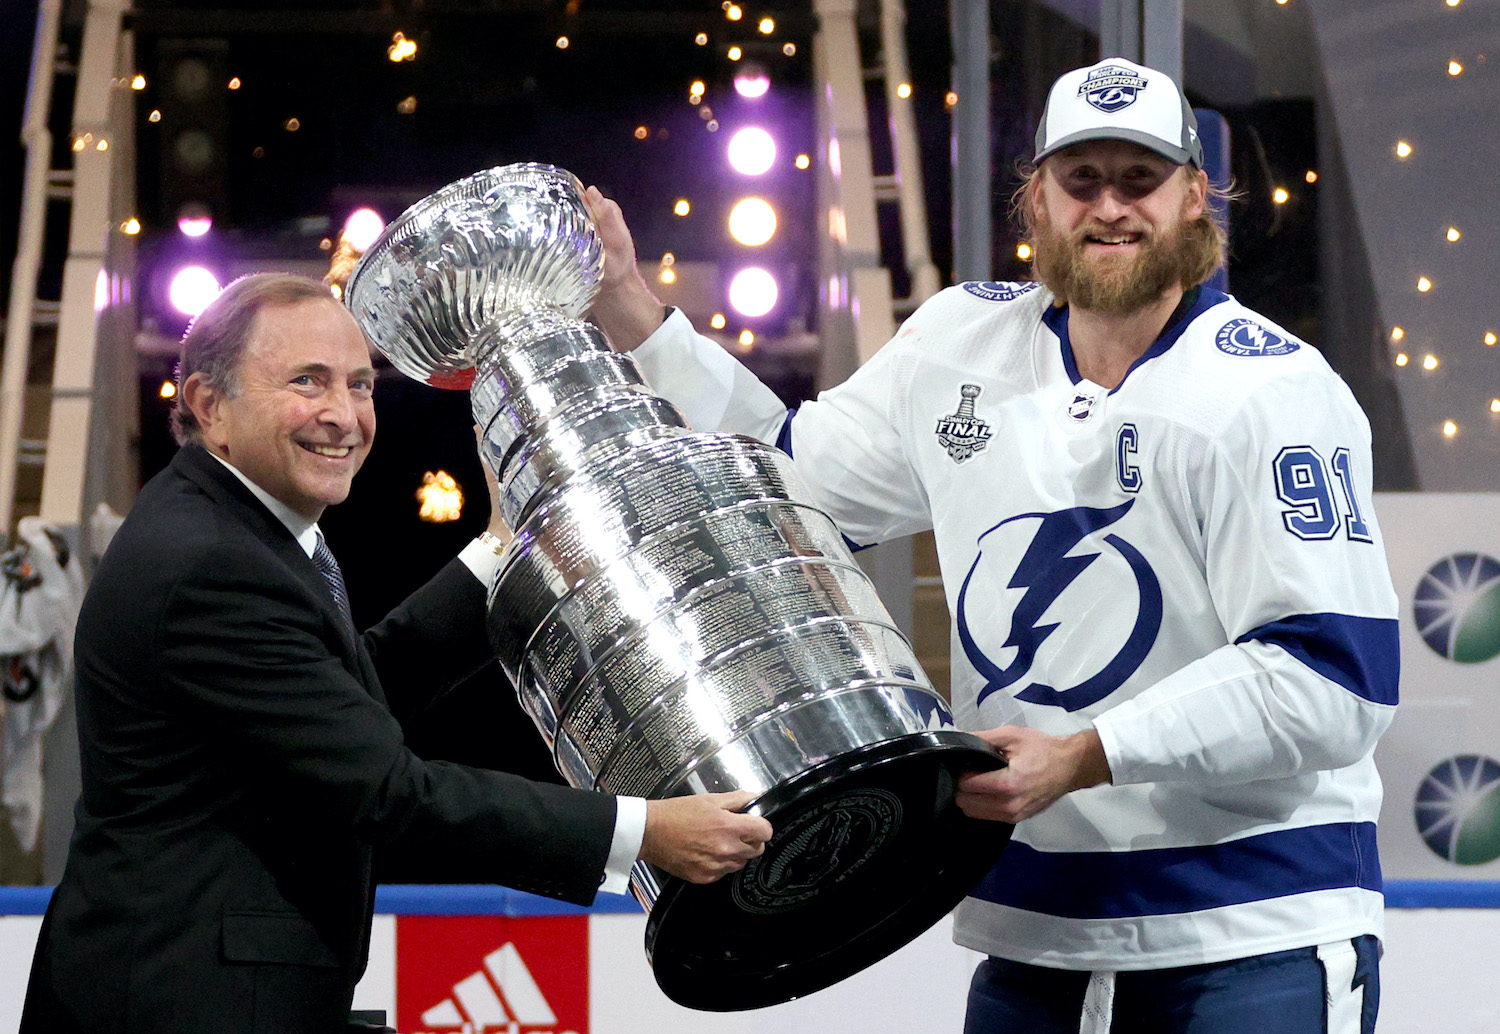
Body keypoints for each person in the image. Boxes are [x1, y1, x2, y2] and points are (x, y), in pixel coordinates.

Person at [585, 57, 1397, 1034]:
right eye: (1081, 179)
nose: (1111, 207)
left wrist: (1087, 754)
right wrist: (635, 312)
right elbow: (788, 485)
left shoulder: (1271, 393)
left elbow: (1333, 679)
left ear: (1193, 197)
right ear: (1037, 199)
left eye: (1139, 179)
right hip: (1033, 940)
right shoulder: (959, 343)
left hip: (1248, 933)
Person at [20, 272, 772, 1034]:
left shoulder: (234, 525)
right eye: (306, 382)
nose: (343, 416)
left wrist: (503, 550)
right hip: (179, 1001)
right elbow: (390, 793)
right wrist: (645, 834)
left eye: (360, 384)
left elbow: (341, 698)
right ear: (210, 406)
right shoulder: (212, 562)